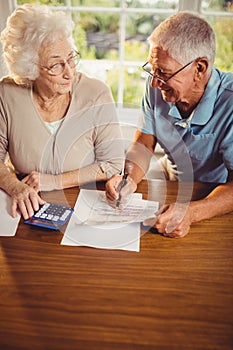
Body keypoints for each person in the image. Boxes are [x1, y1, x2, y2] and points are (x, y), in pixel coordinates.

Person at [106, 11, 233, 238]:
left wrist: (192, 213)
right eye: (152, 70)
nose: (154, 82)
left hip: (213, 190)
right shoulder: (156, 85)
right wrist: (129, 179)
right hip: (170, 173)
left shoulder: (230, 101)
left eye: (163, 73)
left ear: (200, 68)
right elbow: (144, 144)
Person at [0, 4, 124, 220]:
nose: (69, 72)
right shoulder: (7, 94)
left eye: (70, 58)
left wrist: (53, 181)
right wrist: (15, 187)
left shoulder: (95, 93)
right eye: (56, 65)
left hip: (83, 208)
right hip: (28, 208)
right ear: (29, 68)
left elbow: (113, 164)